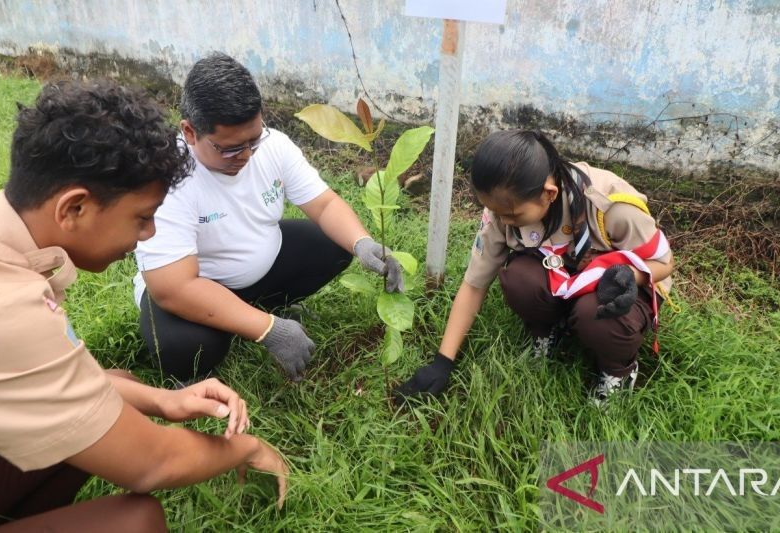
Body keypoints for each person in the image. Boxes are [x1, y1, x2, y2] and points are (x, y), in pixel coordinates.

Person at [0, 79, 287, 532]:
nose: (148, 236)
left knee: (115, 385)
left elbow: (37, 381)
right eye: (142, 218)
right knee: (137, 520)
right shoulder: (5, 310)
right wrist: (247, 449)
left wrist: (164, 400)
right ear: (74, 209)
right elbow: (151, 464)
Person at [133, 52, 403, 384]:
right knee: (189, 347)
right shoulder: (168, 178)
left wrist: (362, 242)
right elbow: (174, 288)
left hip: (258, 266)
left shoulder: (274, 146)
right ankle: (228, 337)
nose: (246, 155)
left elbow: (324, 205)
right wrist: (268, 330)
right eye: (230, 148)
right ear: (190, 133)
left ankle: (261, 307)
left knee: (332, 245)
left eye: (253, 141)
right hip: (198, 285)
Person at [395, 130, 674, 404]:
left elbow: (664, 263)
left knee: (594, 313)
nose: (501, 220)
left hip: (616, 287)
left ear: (549, 194)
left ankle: (618, 371)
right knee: (519, 278)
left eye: (511, 214)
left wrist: (631, 276)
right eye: (494, 211)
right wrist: (443, 362)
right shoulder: (500, 212)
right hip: (565, 276)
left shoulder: (607, 205)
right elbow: (474, 285)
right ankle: (551, 329)